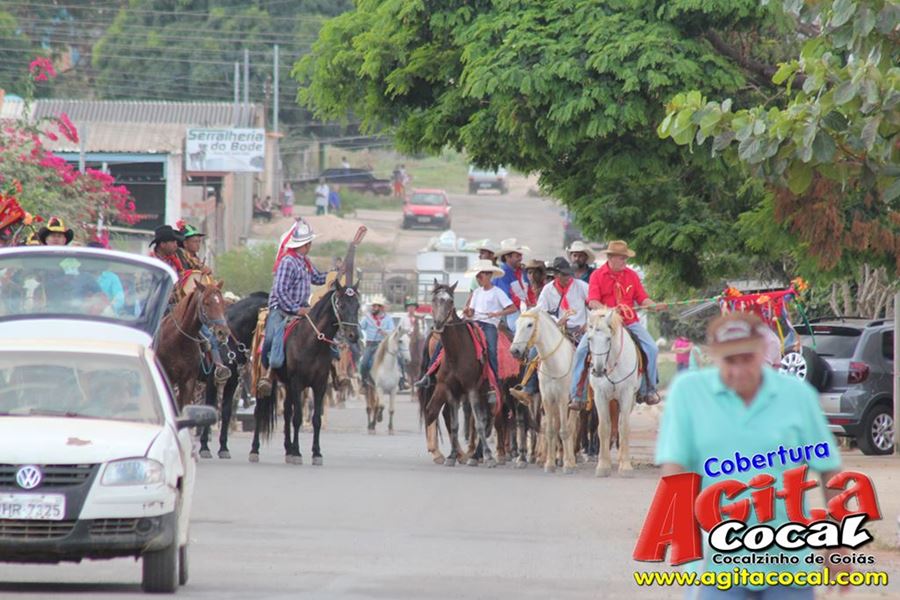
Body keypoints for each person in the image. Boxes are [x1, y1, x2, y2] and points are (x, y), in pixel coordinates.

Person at [655, 312, 842, 599]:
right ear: (714, 357)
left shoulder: (796, 396)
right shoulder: (689, 394)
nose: (740, 370)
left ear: (762, 353)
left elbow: (830, 470)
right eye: (730, 360)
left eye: (748, 358)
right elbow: (675, 469)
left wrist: (838, 541)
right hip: (717, 562)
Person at [569, 240, 665, 408]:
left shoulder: (632, 275)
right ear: (611, 258)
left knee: (652, 348)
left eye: (625, 258)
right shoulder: (597, 276)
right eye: (622, 258)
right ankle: (578, 394)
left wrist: (653, 305)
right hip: (604, 323)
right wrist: (609, 311)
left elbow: (642, 298)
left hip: (629, 321)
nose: (625, 262)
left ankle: (648, 389)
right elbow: (592, 301)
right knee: (581, 351)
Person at [257, 219, 335, 396]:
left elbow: (317, 278)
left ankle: (334, 370)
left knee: (326, 331)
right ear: (305, 244)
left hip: (303, 308)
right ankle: (268, 373)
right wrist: (295, 309)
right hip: (281, 309)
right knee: (270, 339)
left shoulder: (304, 262)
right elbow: (280, 291)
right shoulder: (288, 262)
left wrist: (334, 274)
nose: (310, 245)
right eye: (309, 242)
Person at [511, 257, 590, 405]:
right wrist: (557, 322)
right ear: (556, 275)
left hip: (580, 330)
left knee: (589, 355)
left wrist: (588, 324)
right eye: (564, 274)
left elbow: (592, 304)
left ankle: (584, 392)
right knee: (535, 351)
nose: (567, 277)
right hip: (557, 330)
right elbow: (541, 312)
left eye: (568, 274)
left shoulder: (582, 287)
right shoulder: (548, 290)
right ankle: (527, 388)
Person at [176, 222, 229, 383]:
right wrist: (199, 271)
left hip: (197, 303)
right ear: (185, 243)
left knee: (214, 328)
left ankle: (217, 367)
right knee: (207, 334)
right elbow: (185, 280)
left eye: (199, 241)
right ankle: (218, 365)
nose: (197, 244)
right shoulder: (181, 257)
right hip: (181, 303)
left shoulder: (195, 259)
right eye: (194, 241)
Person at [463, 259, 517, 405]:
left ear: (489, 275)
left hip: (488, 324)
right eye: (477, 276)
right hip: (474, 322)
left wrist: (497, 313)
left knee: (491, 350)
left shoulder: (497, 292)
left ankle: (494, 383)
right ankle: (431, 372)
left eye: (480, 276)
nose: (478, 278)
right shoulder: (476, 292)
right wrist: (467, 311)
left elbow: (512, 308)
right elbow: (471, 312)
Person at [492, 239, 531, 332]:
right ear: (507, 257)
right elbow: (507, 299)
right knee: (523, 330)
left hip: (522, 309)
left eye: (520, 255)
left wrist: (531, 304)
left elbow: (528, 292)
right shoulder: (502, 273)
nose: (520, 258)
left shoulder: (521, 271)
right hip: (508, 311)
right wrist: (525, 305)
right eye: (517, 256)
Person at [359, 295, 395, 387]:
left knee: (398, 358)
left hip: (383, 345)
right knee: (364, 363)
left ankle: (401, 379)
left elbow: (392, 331)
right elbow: (359, 327)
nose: (373, 308)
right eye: (373, 306)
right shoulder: (367, 318)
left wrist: (385, 332)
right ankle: (364, 381)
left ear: (381, 307)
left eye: (375, 306)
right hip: (370, 344)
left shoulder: (388, 319)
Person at [397, 298, 421, 389]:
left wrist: (418, 333)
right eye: (409, 307)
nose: (411, 309)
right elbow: (399, 329)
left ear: (415, 308)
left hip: (417, 339)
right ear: (407, 308)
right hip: (406, 339)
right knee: (401, 354)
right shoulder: (403, 318)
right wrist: (407, 332)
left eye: (413, 307)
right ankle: (403, 376)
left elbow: (425, 329)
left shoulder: (419, 317)